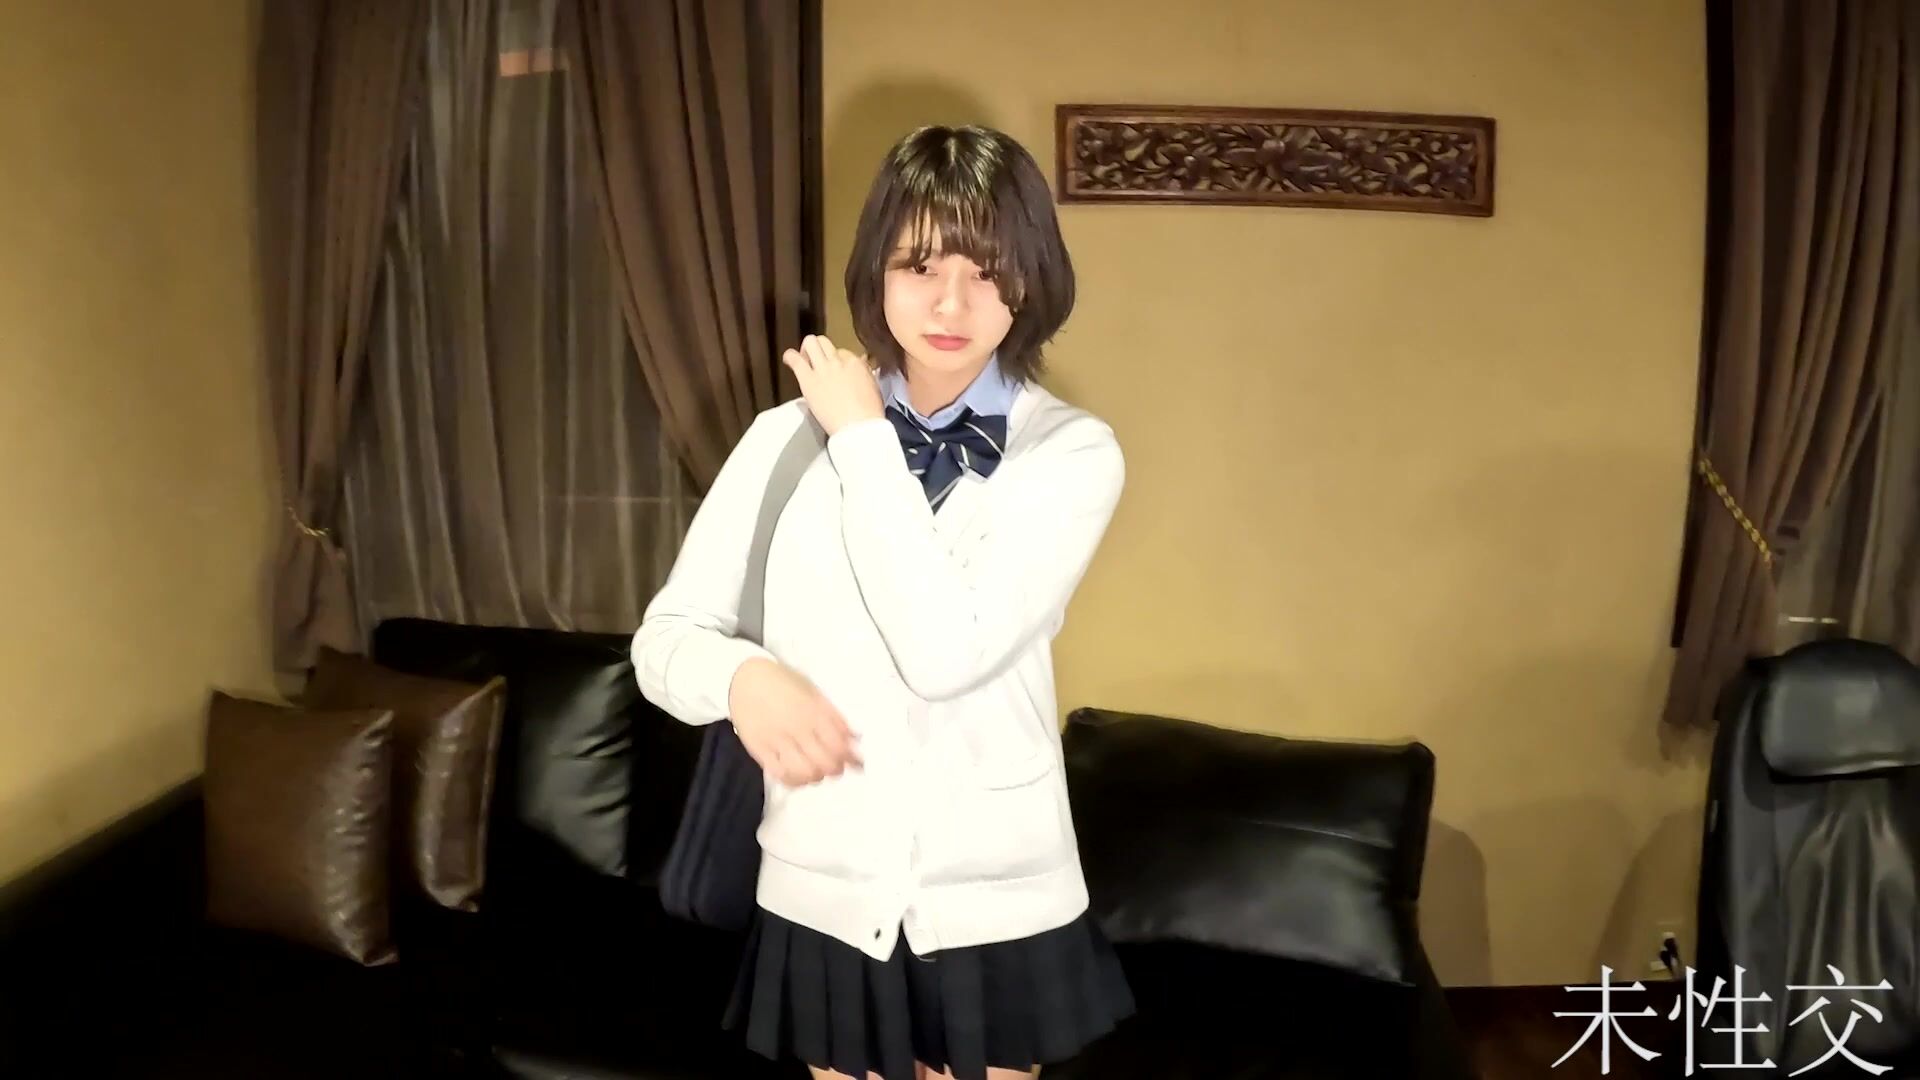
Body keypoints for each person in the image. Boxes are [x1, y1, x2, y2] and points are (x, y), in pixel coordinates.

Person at [631, 124, 1134, 1080]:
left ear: (1031, 280)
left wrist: (863, 439)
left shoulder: (1069, 454)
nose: (951, 302)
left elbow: (945, 656)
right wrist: (740, 677)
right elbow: (664, 641)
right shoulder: (783, 441)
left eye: (987, 271)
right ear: (877, 269)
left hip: (996, 903)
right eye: (920, 265)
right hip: (822, 893)